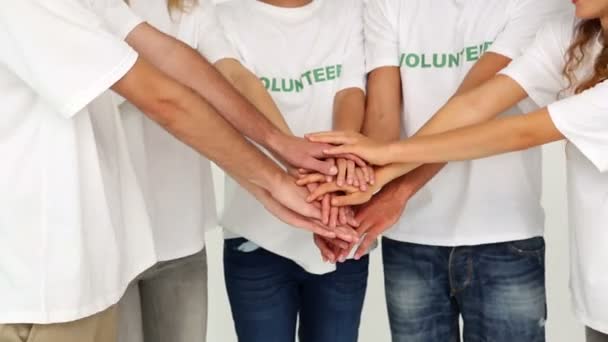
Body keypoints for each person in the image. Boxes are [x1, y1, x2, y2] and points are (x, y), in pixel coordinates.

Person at [0, 1, 346, 341]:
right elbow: (162, 99)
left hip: (82, 274)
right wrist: (273, 182)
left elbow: (168, 55)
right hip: (39, 291)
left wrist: (278, 145)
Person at [308, 2, 608, 341]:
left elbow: (518, 131)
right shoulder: (573, 31)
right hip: (597, 298)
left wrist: (388, 166)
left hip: (510, 234)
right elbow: (477, 104)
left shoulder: (543, 10)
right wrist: (375, 175)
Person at [116, 0, 357, 341]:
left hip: (180, 235)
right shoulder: (86, 8)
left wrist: (287, 152)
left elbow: (230, 76)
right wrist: (284, 165)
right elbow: (170, 101)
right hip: (113, 238)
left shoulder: (189, 8)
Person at [215, 0, 370, 341]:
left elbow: (351, 91)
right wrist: (307, 173)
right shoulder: (222, 15)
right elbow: (242, 87)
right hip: (256, 235)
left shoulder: (349, 10)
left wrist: (341, 162)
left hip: (341, 233)